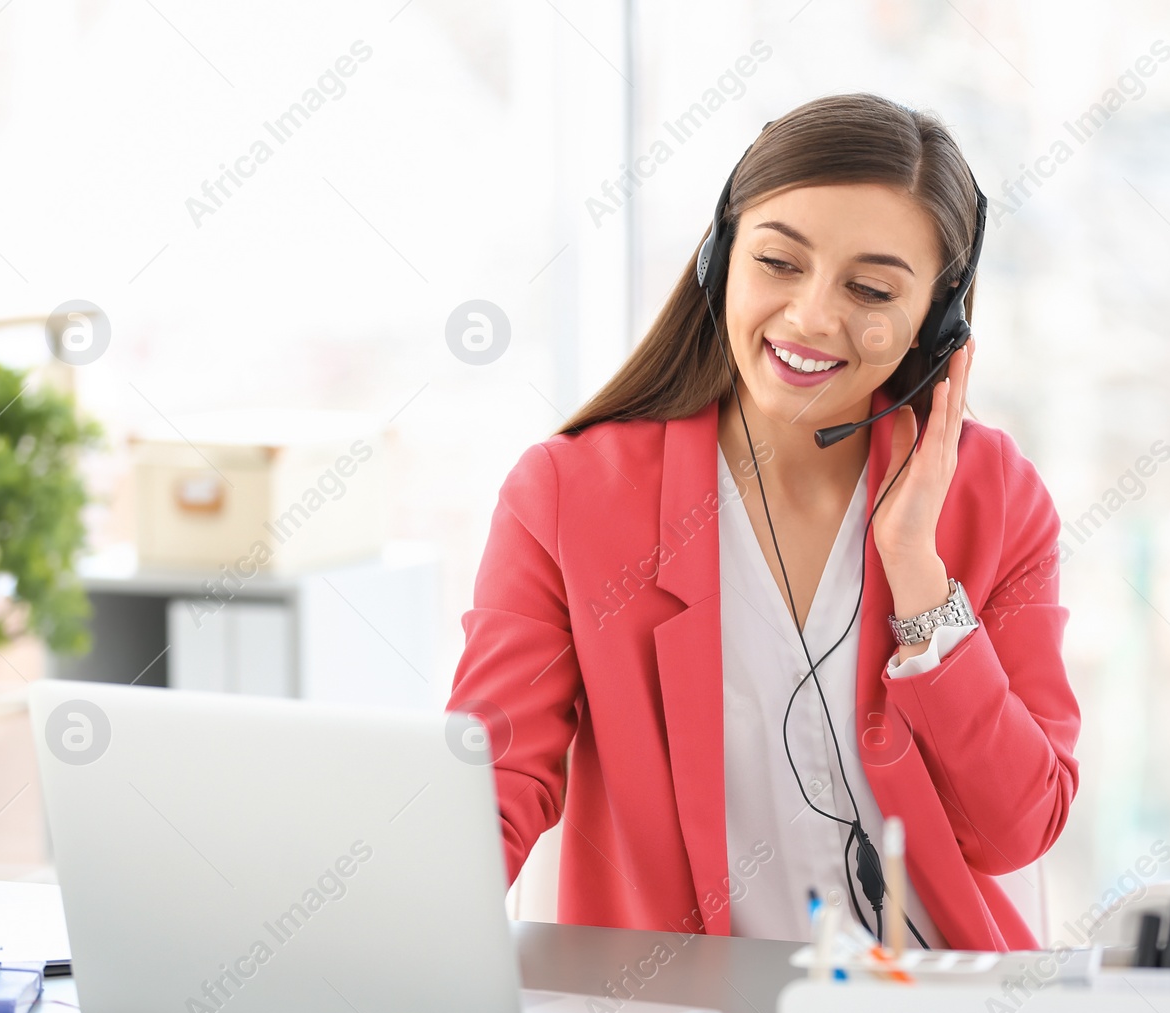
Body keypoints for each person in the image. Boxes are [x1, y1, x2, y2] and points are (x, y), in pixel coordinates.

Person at [447, 92, 1080, 952]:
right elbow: (492, 786)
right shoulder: (569, 494)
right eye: (780, 262)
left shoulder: (994, 494)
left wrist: (917, 574)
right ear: (720, 258)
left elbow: (1019, 826)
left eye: (869, 288)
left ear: (938, 320)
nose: (813, 315)